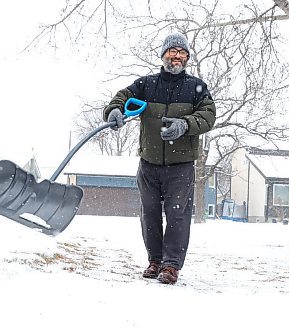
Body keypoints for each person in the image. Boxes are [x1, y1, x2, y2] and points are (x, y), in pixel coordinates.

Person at [103, 32, 216, 284]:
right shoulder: (146, 85)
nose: (176, 57)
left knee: (177, 215)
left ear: (187, 58)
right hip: (149, 164)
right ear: (163, 54)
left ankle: (171, 265)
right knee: (150, 213)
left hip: (181, 166)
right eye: (172, 52)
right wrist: (113, 112)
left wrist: (185, 124)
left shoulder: (196, 87)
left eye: (182, 53)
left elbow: (208, 116)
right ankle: (155, 260)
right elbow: (120, 99)